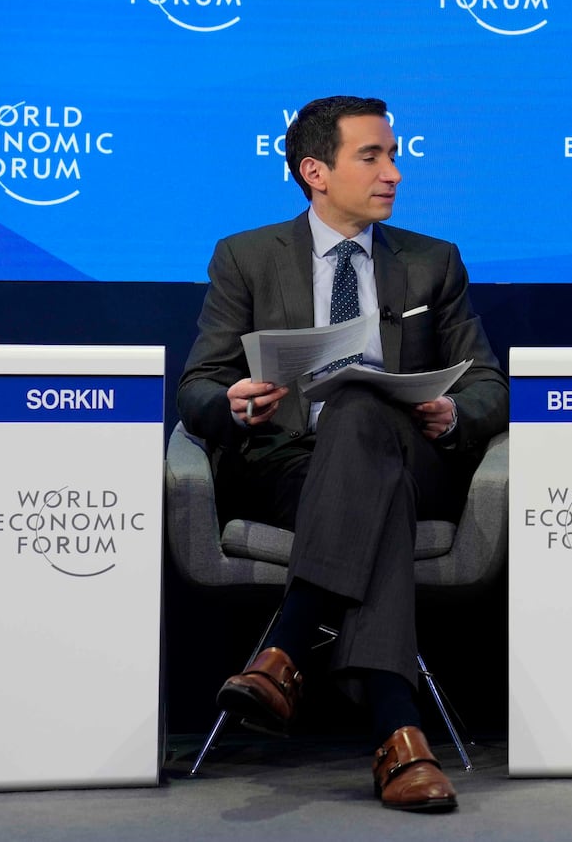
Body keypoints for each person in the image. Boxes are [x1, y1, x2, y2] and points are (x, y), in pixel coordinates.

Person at [177, 95, 508, 811]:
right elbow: (197, 384)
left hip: (413, 459)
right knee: (371, 490)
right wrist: (233, 398)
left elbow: (487, 381)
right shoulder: (246, 257)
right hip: (287, 466)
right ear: (315, 172)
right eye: (374, 155)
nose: (394, 170)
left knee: (360, 408)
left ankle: (287, 646)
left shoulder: (432, 262)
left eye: (394, 154)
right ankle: (397, 730)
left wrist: (454, 412)